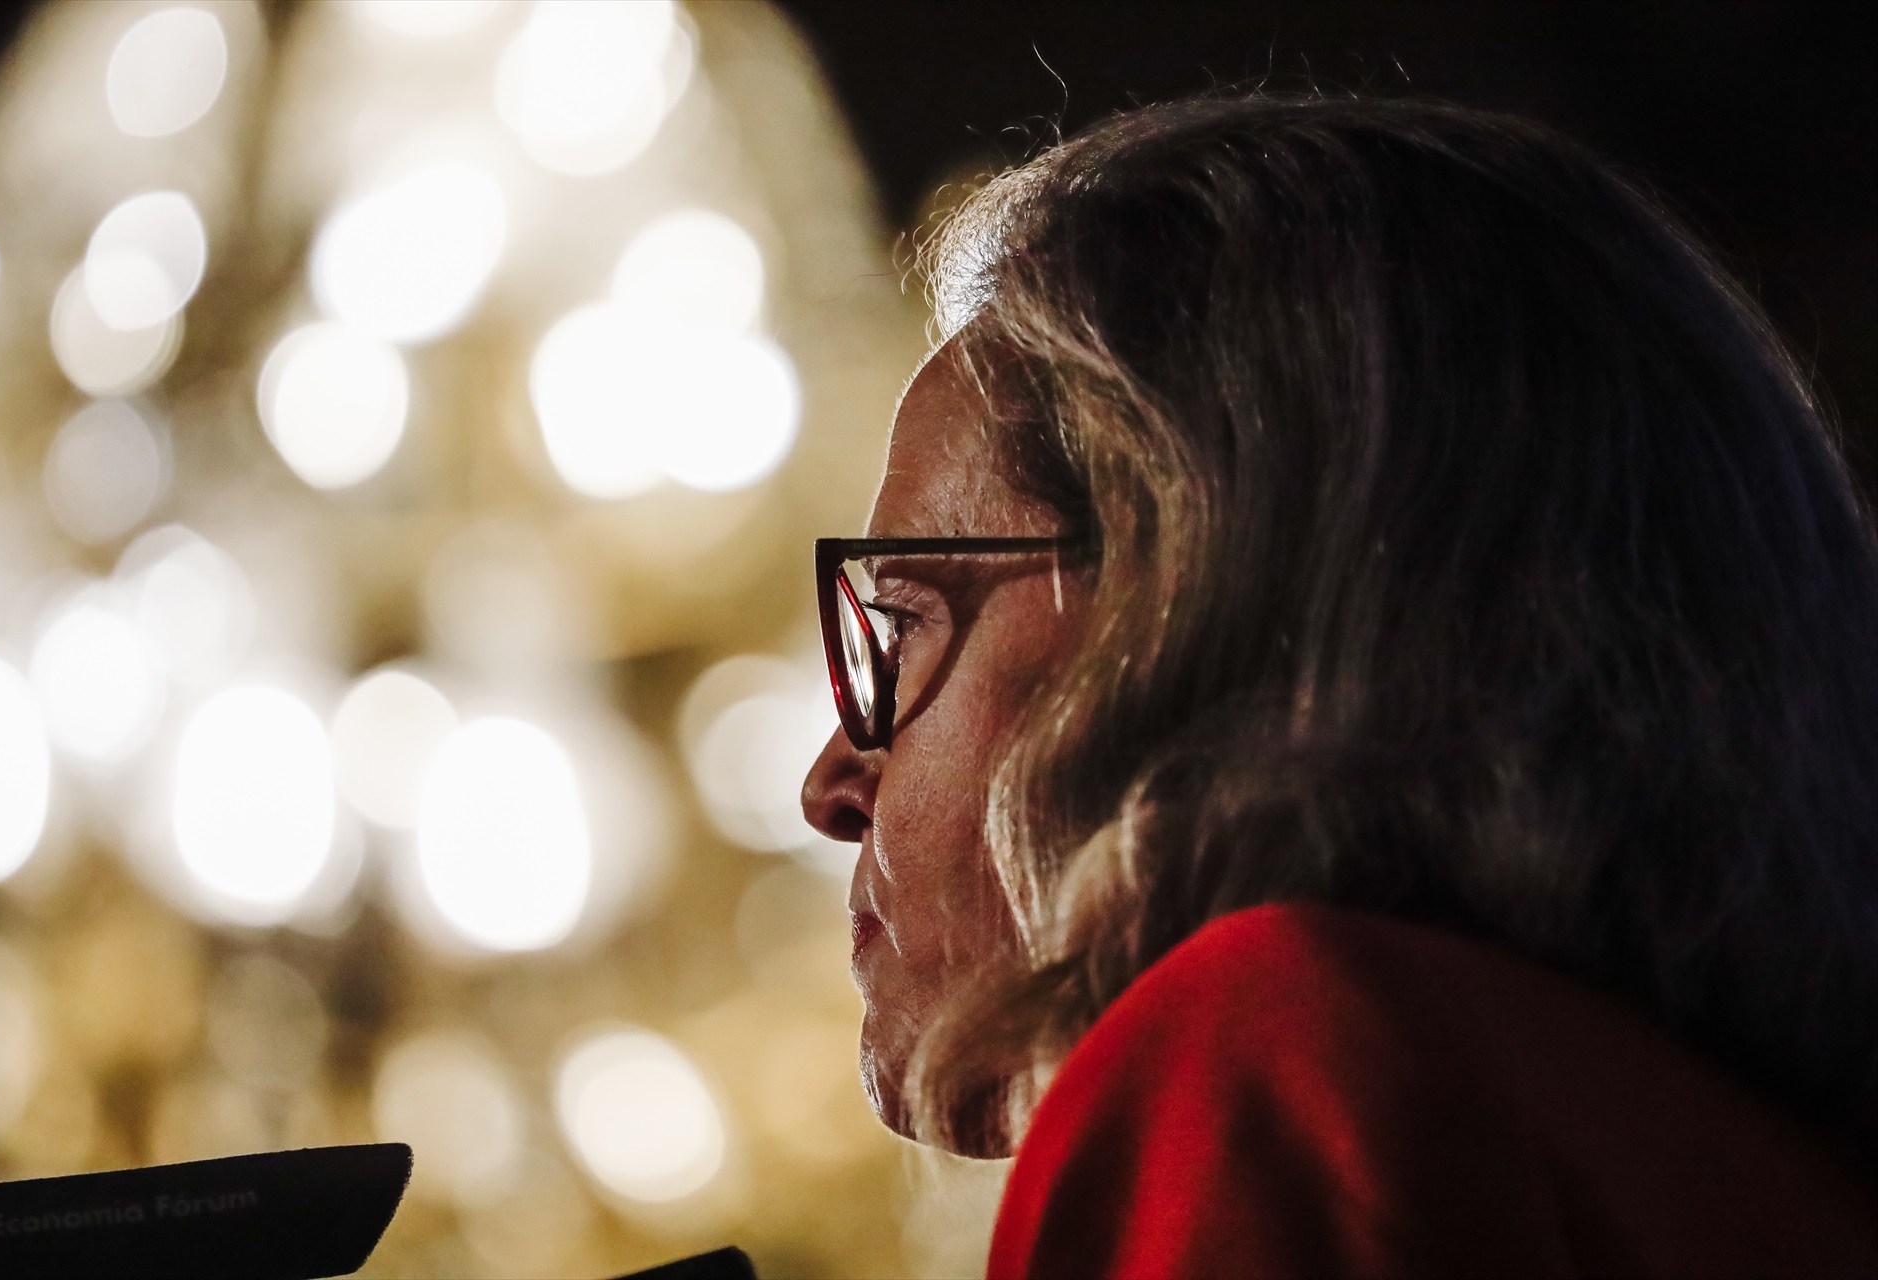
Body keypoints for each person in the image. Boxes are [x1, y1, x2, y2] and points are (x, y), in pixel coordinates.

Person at [800, 94, 1878, 1277]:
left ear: (1196, 593)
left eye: (904, 622)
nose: (832, 783)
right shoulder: (1716, 1150)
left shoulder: (1275, 1058)